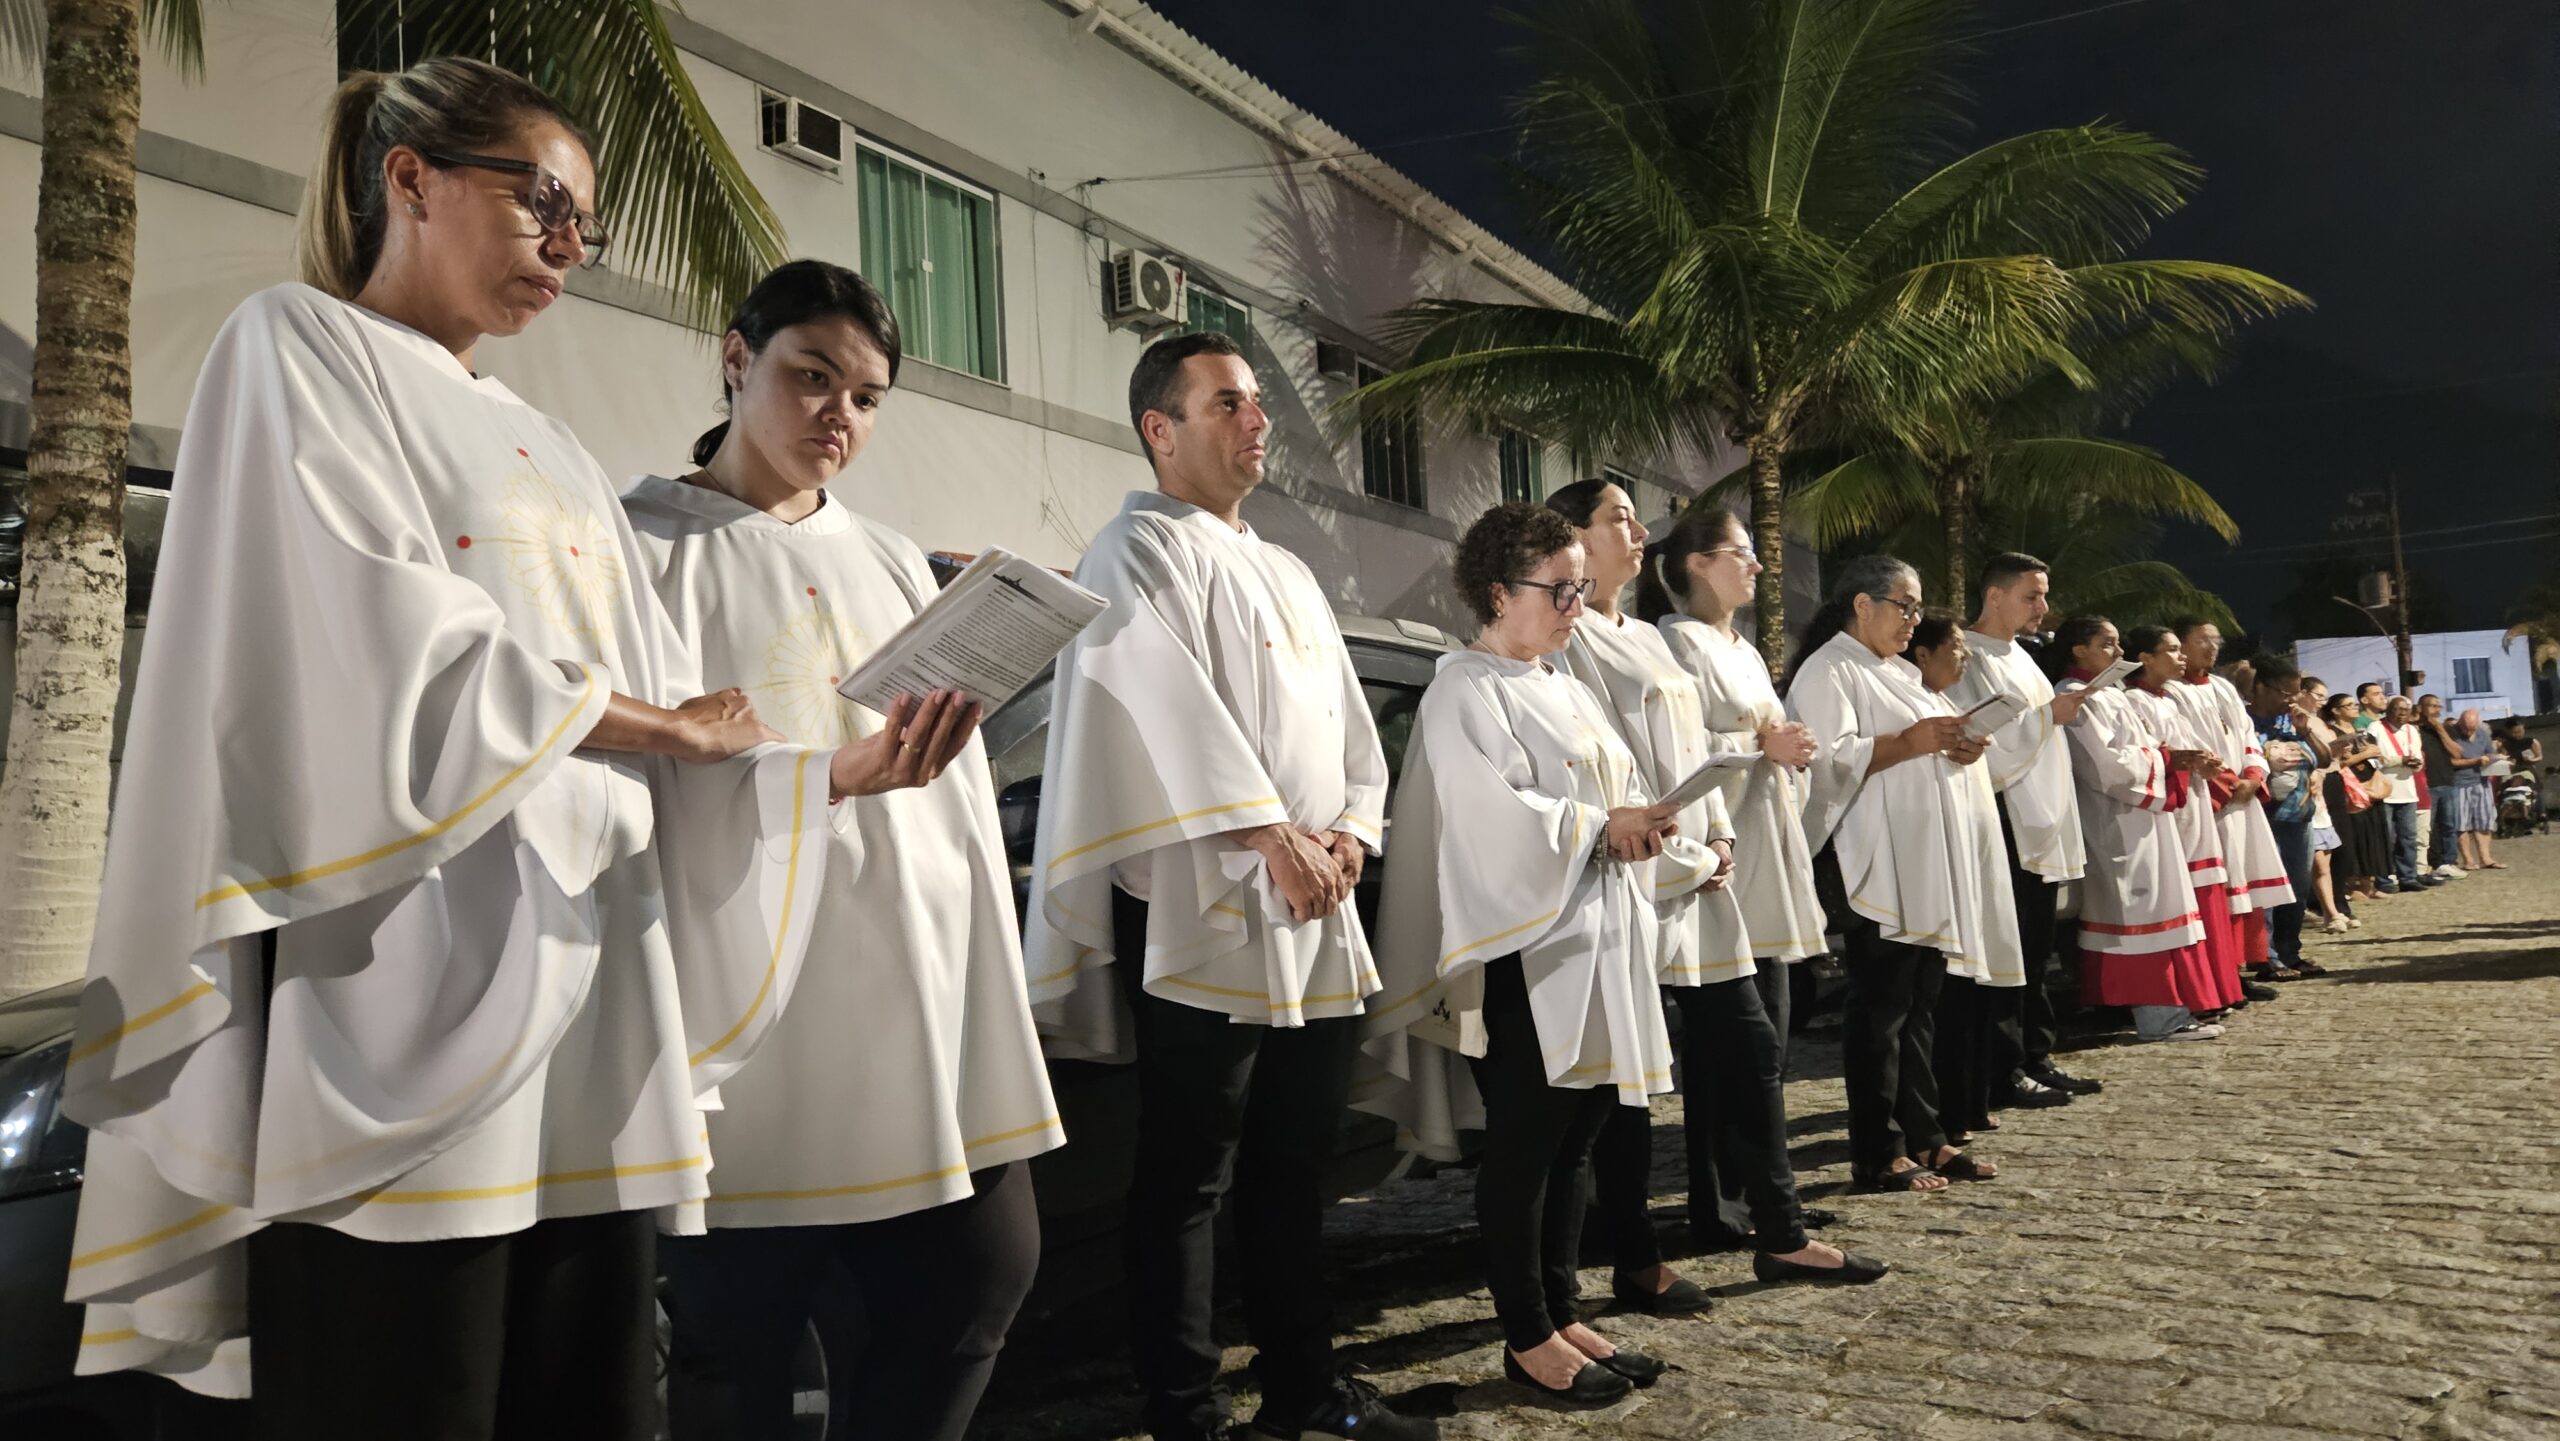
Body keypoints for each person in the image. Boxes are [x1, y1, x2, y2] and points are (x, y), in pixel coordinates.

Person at [54, 58, 865, 1437]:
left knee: (588, 1392)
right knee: (406, 1384)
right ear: (410, 178)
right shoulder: (299, 344)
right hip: (403, 973)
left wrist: (819, 768)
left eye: (585, 223)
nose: (567, 244)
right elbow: (373, 633)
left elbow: (672, 706)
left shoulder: (550, 442)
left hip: (592, 978)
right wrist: (657, 723)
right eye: (541, 200)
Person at [625, 261, 1060, 1441]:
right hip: (751, 1002)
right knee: (742, 1339)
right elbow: (637, 780)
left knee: (981, 1276)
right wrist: (831, 775)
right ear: (736, 358)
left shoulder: (891, 556)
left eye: (867, 398)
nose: (839, 415)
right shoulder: (640, 544)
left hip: (914, 973)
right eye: (812, 376)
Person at [1020, 332, 1425, 1441]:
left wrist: (1350, 829)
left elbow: (1348, 725)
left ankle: (1304, 1390)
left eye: (1257, 402)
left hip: (1314, 899)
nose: (1259, 420)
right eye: (1228, 403)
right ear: (1161, 429)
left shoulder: (1288, 569)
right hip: (1202, 905)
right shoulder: (1133, 548)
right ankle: (1185, 1409)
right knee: (1187, 1172)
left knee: (1294, 1162)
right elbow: (1159, 703)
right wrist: (1266, 831)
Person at [1357, 503, 1680, 1406]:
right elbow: (1486, 820)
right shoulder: (1464, 688)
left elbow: (1619, 787)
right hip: (1523, 953)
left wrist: (1661, 828)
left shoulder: (1563, 683)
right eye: (1560, 588)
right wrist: (1599, 827)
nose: (1577, 605)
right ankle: (1526, 1332)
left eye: (1583, 587)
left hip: (1595, 940)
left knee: (1577, 1139)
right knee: (1527, 1146)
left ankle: (1563, 1310)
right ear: (1499, 592)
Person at [1550, 485, 1887, 1313]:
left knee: (1750, 1046)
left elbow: (1690, 750)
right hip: (1635, 871)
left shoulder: (1642, 638)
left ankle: (1781, 1230)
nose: (1639, 530)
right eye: (1617, 517)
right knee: (1627, 1078)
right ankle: (1638, 1256)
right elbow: (1607, 763)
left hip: (1703, 869)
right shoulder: (1569, 637)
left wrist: (1720, 836)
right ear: (1571, 538)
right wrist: (1686, 847)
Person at [1637, 508, 1839, 1244]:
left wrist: (1787, 748)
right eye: (1741, 553)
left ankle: (1759, 1189)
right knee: (1730, 1047)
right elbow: (1675, 744)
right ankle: (1720, 1199)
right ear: (1696, 564)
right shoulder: (1675, 642)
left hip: (1766, 843)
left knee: (1767, 1042)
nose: (1756, 565)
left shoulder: (1743, 647)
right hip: (1721, 856)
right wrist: (1762, 744)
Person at [1784, 557, 2010, 1194]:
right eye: (1904, 606)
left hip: (1920, 858)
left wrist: (1956, 745)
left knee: (1919, 1007)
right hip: (1874, 859)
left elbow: (1920, 744)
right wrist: (1913, 742)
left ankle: (1926, 1136)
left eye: (1917, 608)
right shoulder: (1828, 669)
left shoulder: (1897, 671)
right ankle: (1877, 1150)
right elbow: (1824, 763)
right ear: (1862, 605)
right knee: (1880, 1011)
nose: (1915, 620)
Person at [1948, 553, 2099, 1109]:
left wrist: (2054, 713)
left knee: (2036, 947)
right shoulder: (1968, 656)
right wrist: (2048, 716)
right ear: (1995, 596)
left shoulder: (2020, 656)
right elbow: (1982, 736)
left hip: (2041, 814)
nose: (2043, 606)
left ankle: (2036, 1053)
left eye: (2043, 595)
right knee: (2008, 947)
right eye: (2031, 595)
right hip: (2006, 817)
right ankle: (2004, 1067)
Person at [2045, 619, 2228, 1041]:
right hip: (2119, 822)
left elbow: (2135, 749)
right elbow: (2105, 767)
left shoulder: (2108, 693)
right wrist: (2166, 761)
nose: (2118, 651)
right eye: (2106, 644)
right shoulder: (2074, 695)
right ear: (2078, 650)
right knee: (2143, 919)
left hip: (2143, 816)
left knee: (2158, 913)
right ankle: (2159, 1018)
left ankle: (2165, 1012)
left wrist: (2169, 755)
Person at [1902, 612, 2031, 1142]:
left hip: (1977, 852)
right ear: (1922, 654)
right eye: (1956, 645)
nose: (1966, 655)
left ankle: (1971, 1102)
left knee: (1978, 984)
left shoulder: (1945, 704)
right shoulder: (1911, 705)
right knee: (1947, 996)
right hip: (1938, 862)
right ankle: (1947, 1113)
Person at [2121, 627, 2245, 1019]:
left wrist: (2206, 762)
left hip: (2195, 805)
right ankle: (2195, 996)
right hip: (2171, 811)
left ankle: (2219, 989)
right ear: (2146, 658)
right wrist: (2178, 760)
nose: (2182, 657)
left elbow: (2190, 746)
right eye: (2172, 650)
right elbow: (2147, 756)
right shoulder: (2132, 700)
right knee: (2186, 904)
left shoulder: (2166, 700)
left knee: (2208, 898)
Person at [2167, 620, 2295, 1002]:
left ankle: (2235, 972)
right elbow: (2184, 743)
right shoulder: (2170, 692)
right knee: (2216, 894)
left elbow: (2247, 735)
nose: (2212, 647)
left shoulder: (2223, 687)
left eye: (2216, 640)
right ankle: (2216, 976)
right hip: (2208, 802)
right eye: (2202, 640)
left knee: (2241, 892)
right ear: (2180, 644)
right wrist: (2227, 783)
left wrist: (2253, 774)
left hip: (2240, 800)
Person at [2245, 655, 2330, 980]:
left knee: (2296, 887)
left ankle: (2289, 951)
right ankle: (2265, 956)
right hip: (2264, 816)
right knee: (2266, 888)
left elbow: (2324, 759)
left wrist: (2306, 731)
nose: (2290, 700)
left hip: (2299, 815)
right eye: (2284, 692)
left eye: (2295, 693)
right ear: (2260, 687)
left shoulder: (2293, 722)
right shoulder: (2245, 722)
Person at [2318, 690, 2393, 907]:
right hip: (2349, 788)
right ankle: (2353, 884)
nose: (2354, 708)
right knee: (2355, 836)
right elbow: (2335, 763)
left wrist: (2375, 754)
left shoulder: (2364, 732)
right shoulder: (2333, 733)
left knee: (2373, 835)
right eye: (2349, 705)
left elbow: (2375, 759)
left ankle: (2370, 883)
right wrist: (2363, 755)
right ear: (2336, 710)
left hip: (2370, 786)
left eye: (2354, 705)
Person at [2370, 695, 2435, 892]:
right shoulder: (2375, 728)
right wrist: (2400, 760)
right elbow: (2373, 758)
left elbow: (2418, 757)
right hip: (2384, 791)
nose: (2401, 714)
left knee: (2408, 837)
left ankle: (2408, 876)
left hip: (2407, 790)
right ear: (2388, 710)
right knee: (2386, 838)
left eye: (2405, 710)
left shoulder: (2411, 730)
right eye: (2397, 709)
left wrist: (2415, 763)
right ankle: (2385, 878)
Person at [2442, 709, 2505, 871]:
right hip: (2459, 784)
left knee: (2484, 822)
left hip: (2481, 782)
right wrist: (2475, 761)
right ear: (2459, 722)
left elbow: (2490, 753)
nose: (2469, 732)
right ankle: (2468, 860)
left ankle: (2486, 858)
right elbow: (2449, 761)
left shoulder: (2483, 734)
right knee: (2461, 824)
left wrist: (2493, 759)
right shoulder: (2451, 735)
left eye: (2473, 728)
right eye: (2466, 728)